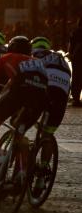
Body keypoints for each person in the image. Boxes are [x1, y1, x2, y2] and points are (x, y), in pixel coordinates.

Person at [0, 36, 48, 183]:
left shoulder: (6, 58)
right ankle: (22, 172)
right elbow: (11, 85)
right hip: (40, 98)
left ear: (10, 49)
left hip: (21, 91)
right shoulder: (38, 63)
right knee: (20, 130)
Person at [31, 37, 71, 193]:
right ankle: (41, 176)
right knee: (47, 133)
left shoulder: (34, 54)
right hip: (61, 97)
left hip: (45, 89)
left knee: (23, 118)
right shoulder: (62, 60)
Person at [69, 18, 82, 106]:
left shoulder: (75, 31)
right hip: (78, 57)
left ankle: (76, 98)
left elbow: (71, 44)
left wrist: (71, 54)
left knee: (76, 77)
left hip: (76, 58)